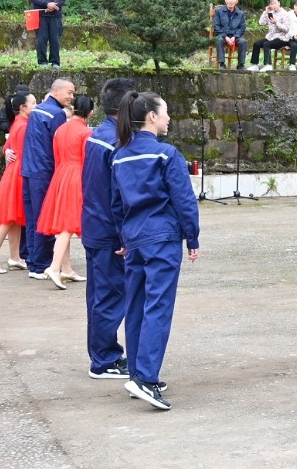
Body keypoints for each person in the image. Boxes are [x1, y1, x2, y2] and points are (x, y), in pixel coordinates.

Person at [110, 92, 200, 410]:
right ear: (151, 117)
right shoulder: (166, 154)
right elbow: (184, 200)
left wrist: (123, 236)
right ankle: (146, 379)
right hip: (161, 238)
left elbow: (116, 203)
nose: (168, 118)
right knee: (158, 306)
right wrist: (193, 237)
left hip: (134, 238)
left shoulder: (120, 155)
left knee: (135, 306)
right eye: (165, 112)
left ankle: (138, 373)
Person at [80, 76, 136, 381]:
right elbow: (118, 195)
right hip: (108, 230)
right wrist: (125, 233)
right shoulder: (116, 142)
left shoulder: (98, 135)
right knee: (110, 296)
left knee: (98, 295)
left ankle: (102, 354)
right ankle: (104, 359)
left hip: (94, 224)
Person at [38, 95, 93, 289]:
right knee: (68, 225)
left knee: (63, 223)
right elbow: (87, 161)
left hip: (60, 174)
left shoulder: (60, 129)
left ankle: (66, 269)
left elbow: (56, 155)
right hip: (76, 176)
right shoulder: (86, 132)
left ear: (74, 108)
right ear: (90, 113)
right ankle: (55, 267)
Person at [22, 79, 75, 279]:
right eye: (69, 92)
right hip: (44, 172)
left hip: (29, 169)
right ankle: (41, 264)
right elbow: (60, 143)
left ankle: (32, 261)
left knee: (32, 219)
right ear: (56, 90)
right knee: (45, 218)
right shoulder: (57, 114)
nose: (71, 97)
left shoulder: (37, 110)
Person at [0, 91, 34, 274]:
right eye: (33, 103)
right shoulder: (23, 126)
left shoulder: (18, 123)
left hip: (15, 171)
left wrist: (7, 151)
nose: (36, 106)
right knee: (8, 218)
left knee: (14, 218)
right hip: (19, 173)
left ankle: (15, 257)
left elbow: (8, 146)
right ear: (23, 107)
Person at [28, 0, 68, 68]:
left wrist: (53, 5)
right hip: (40, 15)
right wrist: (46, 4)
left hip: (55, 15)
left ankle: (55, 62)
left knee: (55, 39)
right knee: (41, 39)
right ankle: (42, 62)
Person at [248, 0, 288, 70]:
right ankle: (255, 65)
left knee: (267, 44)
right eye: (272, 4)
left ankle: (268, 65)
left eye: (275, 3)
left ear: (279, 3)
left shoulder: (285, 14)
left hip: (282, 38)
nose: (274, 5)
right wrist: (265, 12)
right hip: (271, 37)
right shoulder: (270, 13)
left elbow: (286, 29)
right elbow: (261, 23)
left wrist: (276, 23)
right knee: (256, 44)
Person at [212, 0, 249, 70]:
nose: (231, 1)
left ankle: (241, 65)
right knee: (219, 40)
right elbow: (216, 26)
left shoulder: (240, 13)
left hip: (235, 36)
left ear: (236, 1)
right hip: (222, 35)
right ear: (225, 0)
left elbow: (242, 28)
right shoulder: (219, 11)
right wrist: (225, 37)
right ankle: (222, 64)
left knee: (243, 42)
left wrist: (234, 37)